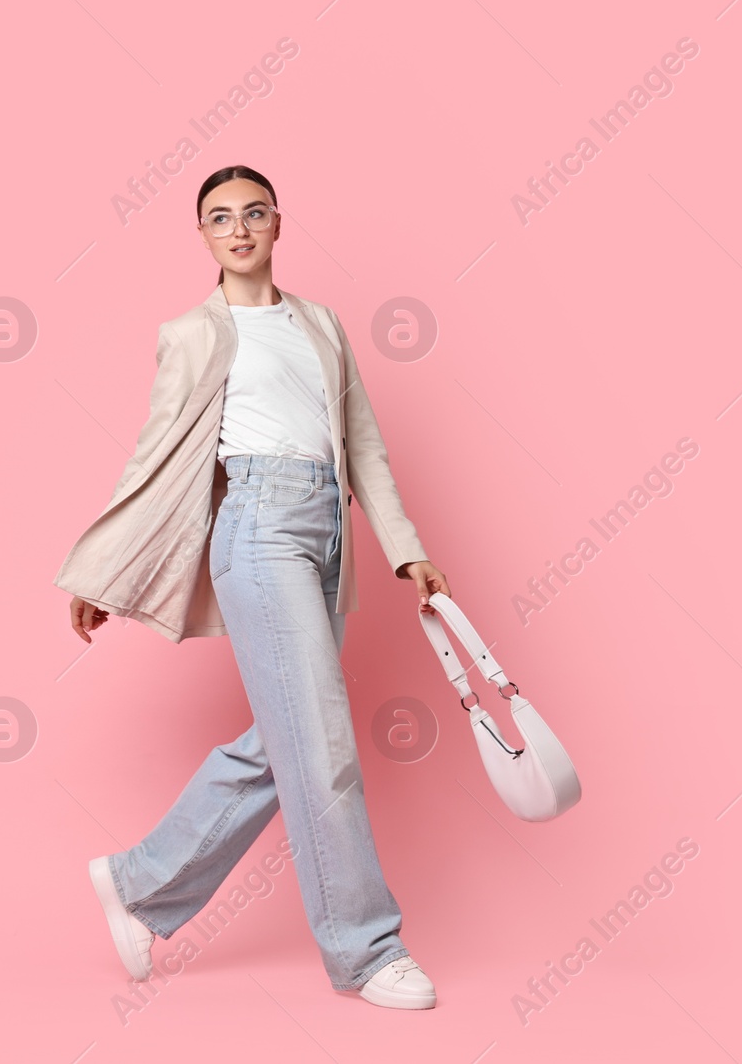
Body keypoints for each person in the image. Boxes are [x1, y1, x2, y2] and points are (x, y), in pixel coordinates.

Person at [65, 165, 452, 1009]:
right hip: (257, 526)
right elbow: (154, 458)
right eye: (219, 218)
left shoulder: (322, 324)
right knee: (321, 741)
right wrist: (105, 570)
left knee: (291, 740)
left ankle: (138, 882)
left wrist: (405, 551)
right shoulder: (192, 333)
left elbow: (366, 446)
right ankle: (366, 948)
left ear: (279, 223)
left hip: (327, 534)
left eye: (254, 213)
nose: (239, 229)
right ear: (202, 237)